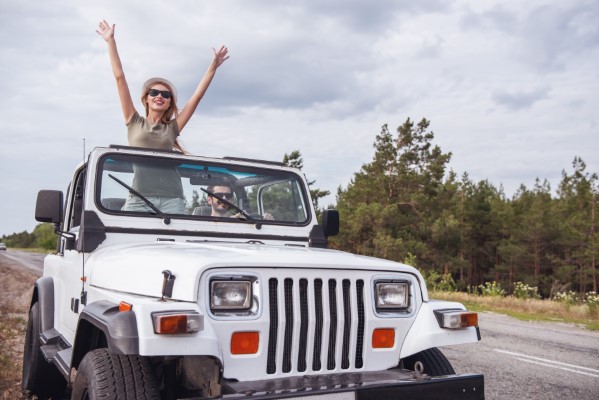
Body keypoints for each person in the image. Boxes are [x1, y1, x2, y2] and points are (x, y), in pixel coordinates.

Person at [96, 20, 229, 214]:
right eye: (154, 92)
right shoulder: (134, 121)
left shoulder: (172, 128)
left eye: (166, 95)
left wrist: (213, 66)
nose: (160, 96)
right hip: (139, 196)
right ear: (146, 98)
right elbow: (119, 78)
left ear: (169, 103)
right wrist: (110, 42)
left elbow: (197, 97)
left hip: (172, 199)